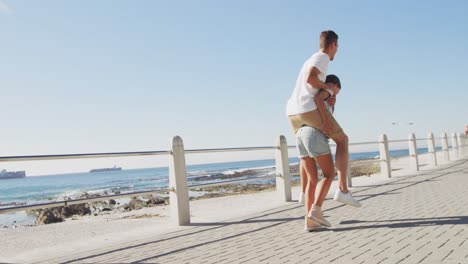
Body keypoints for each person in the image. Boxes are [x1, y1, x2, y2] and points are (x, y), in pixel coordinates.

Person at [287, 30, 360, 207]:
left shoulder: (309, 59)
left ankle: (305, 196)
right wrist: (328, 89)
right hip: (307, 109)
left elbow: (308, 82)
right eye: (337, 47)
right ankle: (343, 190)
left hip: (292, 112)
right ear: (333, 45)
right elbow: (311, 79)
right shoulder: (323, 57)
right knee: (342, 141)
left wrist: (328, 94)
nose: (337, 51)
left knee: (306, 155)